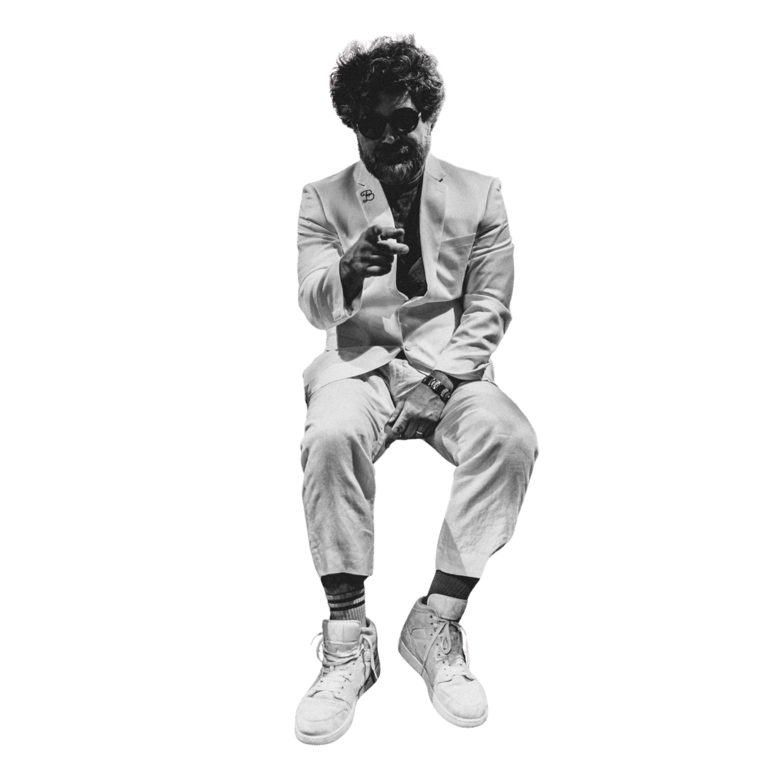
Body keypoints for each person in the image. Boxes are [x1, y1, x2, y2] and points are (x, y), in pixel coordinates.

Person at [294, 33, 539, 746]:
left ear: (429, 114)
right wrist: (347, 270)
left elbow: (490, 306)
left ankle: (435, 623)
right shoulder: (321, 198)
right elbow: (313, 305)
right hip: (358, 366)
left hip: (451, 367)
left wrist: (443, 381)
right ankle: (346, 643)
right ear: (352, 125)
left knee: (511, 437)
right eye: (372, 124)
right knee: (331, 433)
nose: (390, 138)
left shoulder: (481, 193)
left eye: (404, 119)